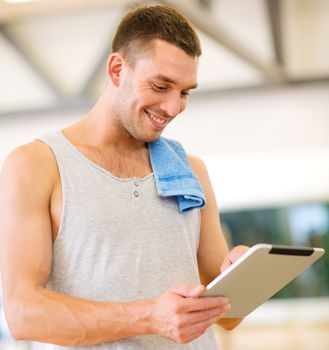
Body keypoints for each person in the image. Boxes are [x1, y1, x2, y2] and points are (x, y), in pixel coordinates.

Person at [0, 5, 248, 349]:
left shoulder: (190, 171)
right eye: (161, 86)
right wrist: (150, 316)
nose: (173, 107)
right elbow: (23, 314)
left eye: (185, 92)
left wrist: (242, 277)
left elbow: (228, 317)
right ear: (117, 69)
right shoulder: (36, 165)